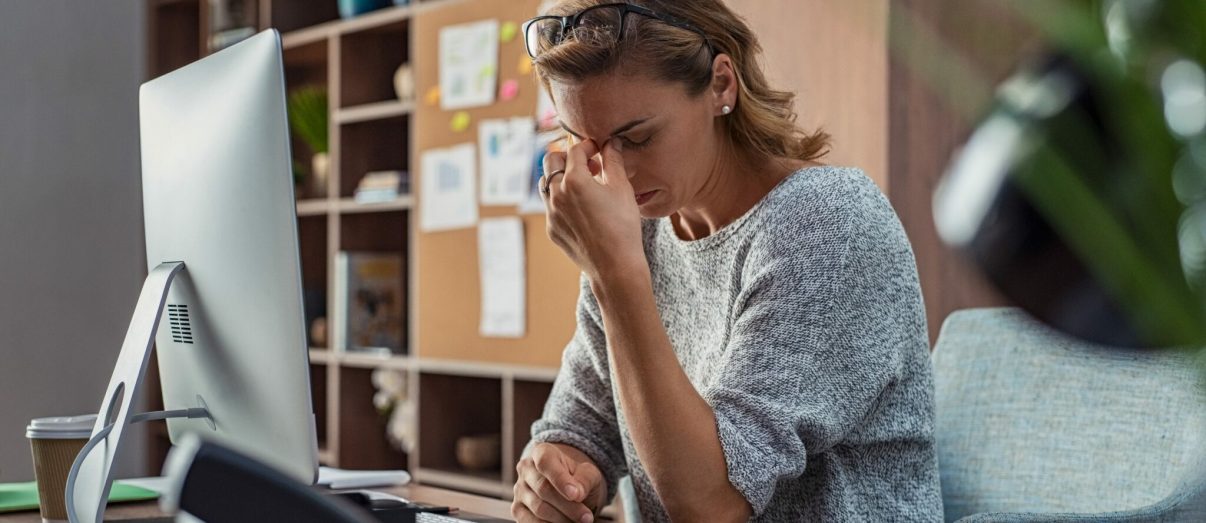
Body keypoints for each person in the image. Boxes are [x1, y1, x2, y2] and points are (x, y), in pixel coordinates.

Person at [513, 1, 943, 521]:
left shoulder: (827, 225)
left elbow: (711, 503)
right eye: (587, 143)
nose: (614, 175)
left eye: (637, 137)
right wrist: (559, 476)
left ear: (721, 85)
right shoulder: (640, 236)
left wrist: (615, 274)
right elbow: (584, 426)